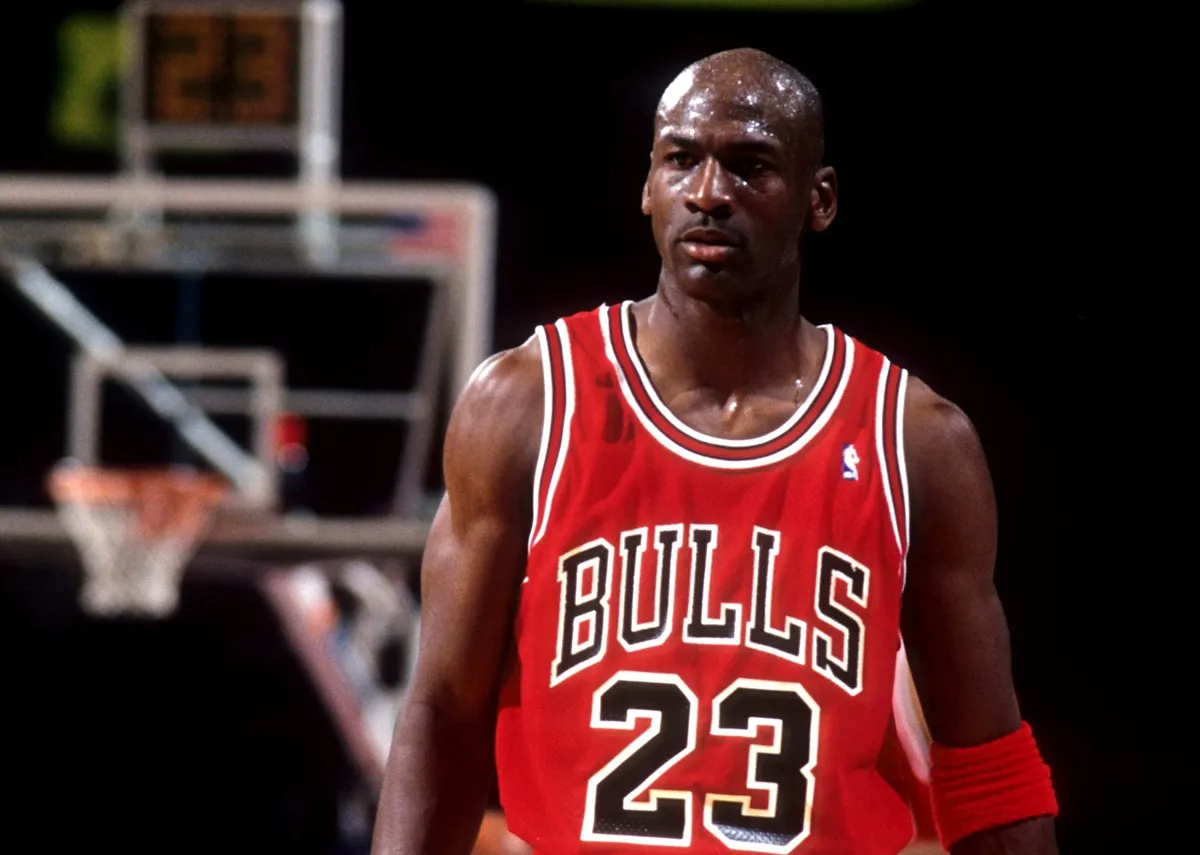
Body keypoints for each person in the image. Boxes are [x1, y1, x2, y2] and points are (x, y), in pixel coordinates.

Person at [371, 48, 1059, 855]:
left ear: (820, 199)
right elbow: (443, 713)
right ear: (646, 185)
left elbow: (987, 764)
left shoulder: (916, 440)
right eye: (681, 160)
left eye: (749, 166)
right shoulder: (527, 402)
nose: (707, 194)